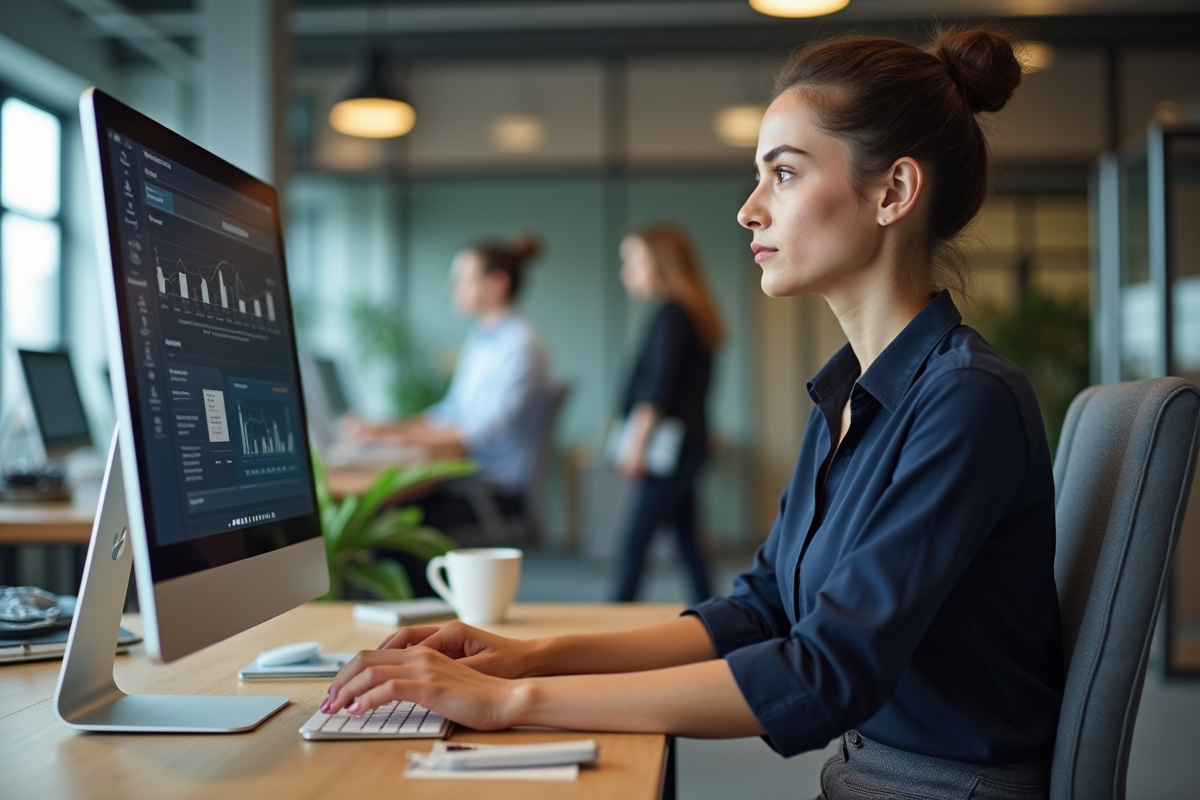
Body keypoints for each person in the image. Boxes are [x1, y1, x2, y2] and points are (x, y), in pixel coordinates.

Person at [323, 28, 1064, 798]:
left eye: (782, 174)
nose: (748, 210)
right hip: (868, 774)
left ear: (893, 193)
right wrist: (522, 656)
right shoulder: (846, 395)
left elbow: (827, 672)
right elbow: (764, 609)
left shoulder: (966, 400)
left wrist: (511, 701)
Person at [348, 235, 551, 532]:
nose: (450, 288)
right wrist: (385, 429)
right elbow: (449, 414)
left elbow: (478, 433)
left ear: (496, 284)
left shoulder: (518, 345)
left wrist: (395, 440)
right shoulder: (482, 339)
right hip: (468, 480)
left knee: (388, 521)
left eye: (461, 280)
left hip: (488, 490)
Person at [612, 224, 723, 604]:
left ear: (660, 263)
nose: (627, 271)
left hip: (669, 451)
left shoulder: (672, 314)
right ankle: (714, 614)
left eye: (634, 261)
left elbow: (657, 391)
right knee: (689, 543)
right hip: (687, 447)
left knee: (634, 544)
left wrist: (635, 446)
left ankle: (613, 617)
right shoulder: (689, 312)